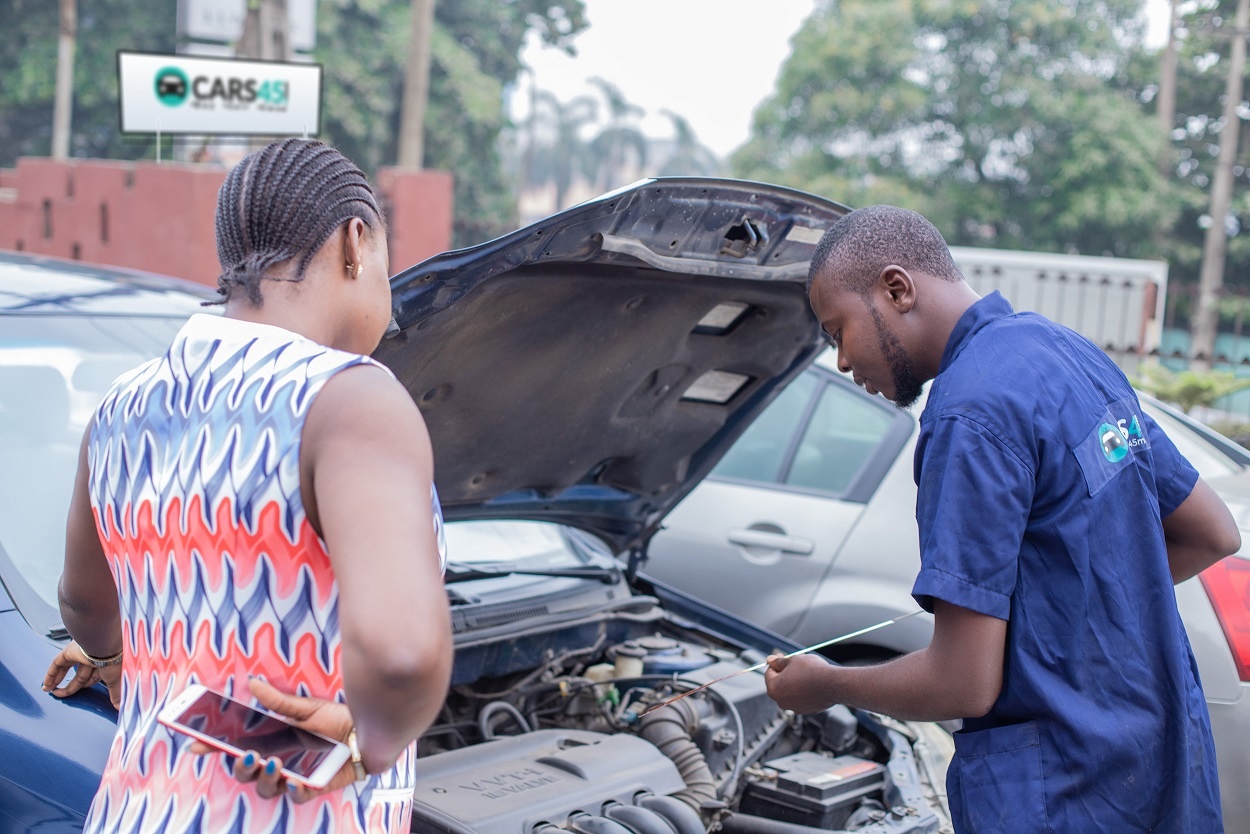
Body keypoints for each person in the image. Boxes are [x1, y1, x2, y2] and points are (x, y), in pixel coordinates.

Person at [764, 205, 1240, 833]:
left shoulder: (967, 417)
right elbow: (1212, 533)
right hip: (1160, 765)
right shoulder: (1065, 351)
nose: (844, 364)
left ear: (897, 288)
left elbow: (962, 685)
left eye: (837, 331)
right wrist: (1061, 617)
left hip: (1068, 793)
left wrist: (827, 684)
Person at [41, 138, 453, 832]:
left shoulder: (122, 405)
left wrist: (113, 660)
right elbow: (402, 656)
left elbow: (84, 600)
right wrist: (367, 744)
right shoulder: (351, 401)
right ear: (355, 244)